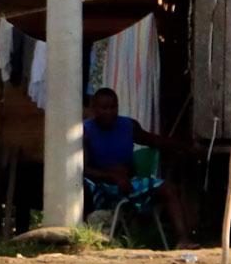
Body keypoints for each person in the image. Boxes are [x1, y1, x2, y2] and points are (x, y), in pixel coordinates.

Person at [82, 87, 195, 247]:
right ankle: (83, 237)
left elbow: (153, 140)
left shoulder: (128, 126)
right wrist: (112, 177)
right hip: (100, 186)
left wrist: (184, 146)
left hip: (130, 183)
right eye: (104, 108)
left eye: (113, 107)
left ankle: (184, 240)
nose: (109, 112)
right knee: (81, 187)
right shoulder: (85, 131)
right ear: (94, 108)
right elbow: (83, 168)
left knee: (168, 188)